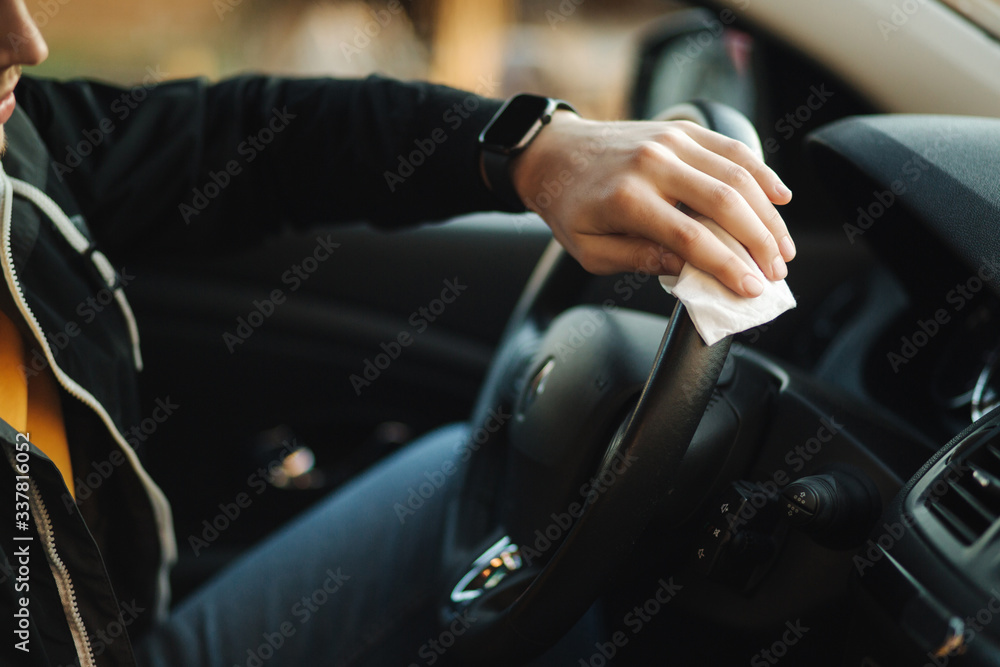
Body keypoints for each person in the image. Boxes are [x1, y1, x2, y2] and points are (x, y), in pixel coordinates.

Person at [0, 0, 795, 665]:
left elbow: (250, 141)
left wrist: (535, 149)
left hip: (116, 633)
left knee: (479, 480)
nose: (26, 42)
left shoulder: (14, 149)